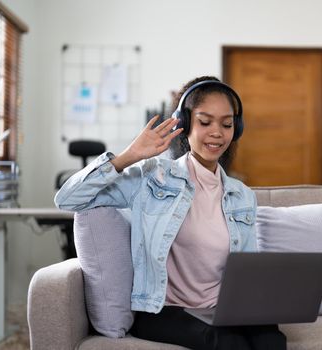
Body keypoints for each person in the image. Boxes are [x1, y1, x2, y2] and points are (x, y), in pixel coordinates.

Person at [55, 76, 287, 350]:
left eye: (226, 124)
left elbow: (245, 270)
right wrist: (128, 156)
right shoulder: (153, 178)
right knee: (225, 342)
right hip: (163, 310)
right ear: (185, 125)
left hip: (223, 308)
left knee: (272, 339)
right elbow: (68, 198)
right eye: (204, 122)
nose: (217, 132)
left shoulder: (241, 195)